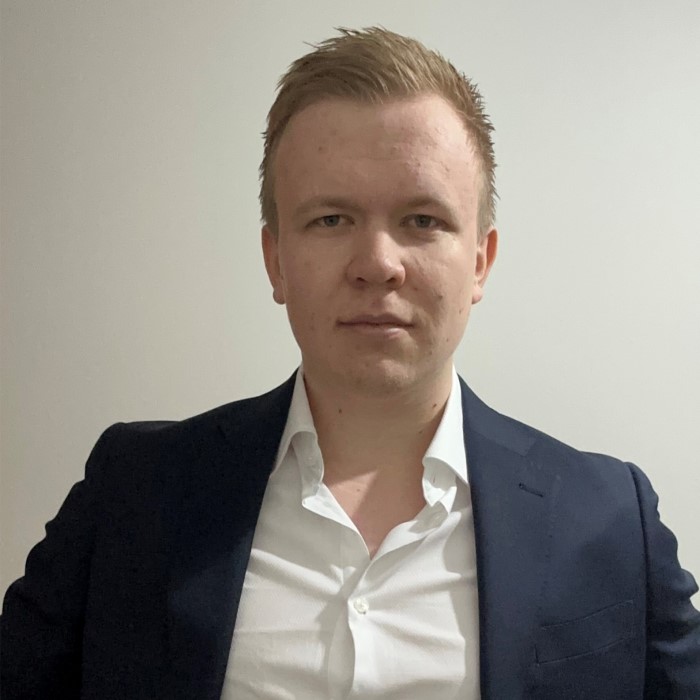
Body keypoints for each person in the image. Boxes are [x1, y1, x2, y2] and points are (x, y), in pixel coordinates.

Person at [1, 26, 699, 700]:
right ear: (276, 261)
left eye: (422, 220)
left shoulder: (610, 519)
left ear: (480, 262)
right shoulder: (134, 493)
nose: (377, 264)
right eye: (331, 219)